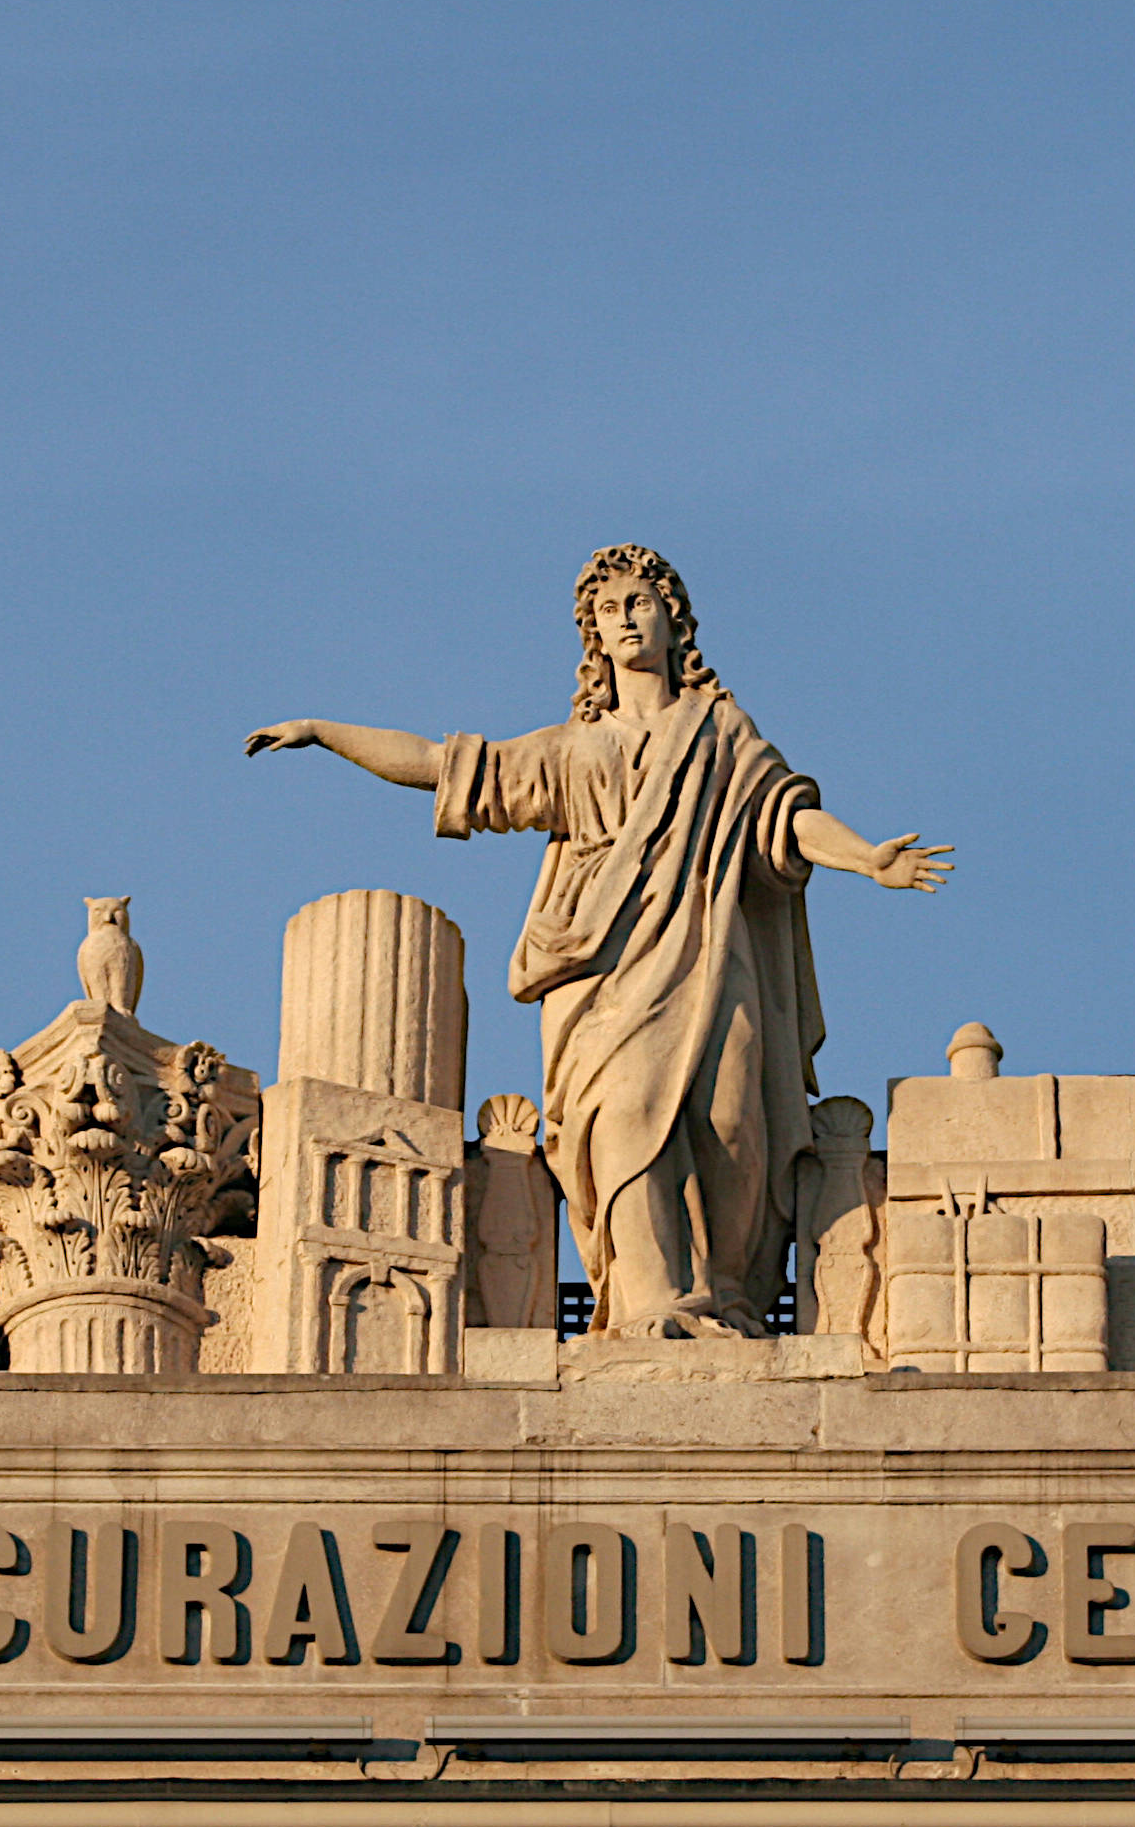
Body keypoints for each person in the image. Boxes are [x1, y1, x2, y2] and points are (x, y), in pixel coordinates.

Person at [249, 544, 950, 1337]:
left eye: (640, 602)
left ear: (672, 621)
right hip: (599, 973)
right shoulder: (571, 749)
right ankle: (652, 1305)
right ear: (593, 635)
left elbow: (779, 818)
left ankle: (727, 1295)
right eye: (608, 609)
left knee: (731, 1127)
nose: (625, 617)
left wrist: (868, 858)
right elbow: (445, 766)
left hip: (712, 954)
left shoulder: (719, 733)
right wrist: (322, 731)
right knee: (619, 1121)